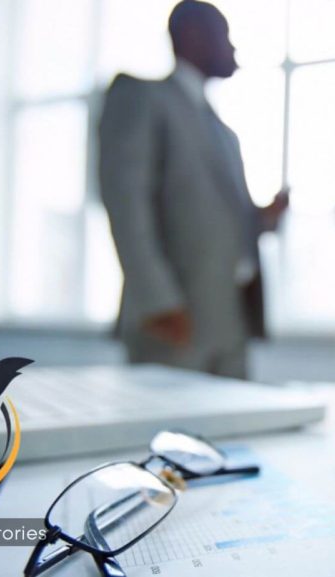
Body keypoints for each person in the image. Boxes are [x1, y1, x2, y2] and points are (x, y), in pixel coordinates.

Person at [98, 1, 287, 379]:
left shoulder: (225, 133)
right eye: (225, 36)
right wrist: (157, 301)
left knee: (231, 434)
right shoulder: (142, 97)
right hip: (174, 317)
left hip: (230, 317)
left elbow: (220, 220)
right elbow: (127, 202)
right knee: (165, 430)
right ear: (193, 35)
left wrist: (262, 219)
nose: (233, 48)